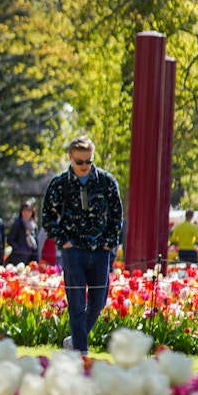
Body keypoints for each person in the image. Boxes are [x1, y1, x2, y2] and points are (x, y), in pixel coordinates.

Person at [41, 136, 123, 355]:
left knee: (98, 302)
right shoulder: (59, 183)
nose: (85, 166)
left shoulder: (106, 181)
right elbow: (48, 217)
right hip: (73, 250)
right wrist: (64, 242)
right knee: (76, 304)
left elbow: (117, 215)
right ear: (70, 157)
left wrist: (109, 243)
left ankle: (74, 340)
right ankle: (80, 352)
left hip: (100, 250)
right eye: (80, 162)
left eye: (88, 161)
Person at [6, 201, 41, 265]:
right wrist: (20, 249)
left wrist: (36, 259)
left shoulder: (34, 226)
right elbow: (10, 239)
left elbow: (36, 243)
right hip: (18, 259)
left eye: (29, 210)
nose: (26, 213)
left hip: (31, 259)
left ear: (32, 212)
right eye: (24, 210)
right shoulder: (17, 223)